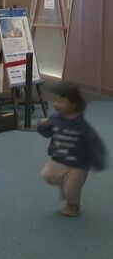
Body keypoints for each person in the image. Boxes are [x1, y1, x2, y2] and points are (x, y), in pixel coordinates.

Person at [38, 82, 106, 217]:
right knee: (47, 174)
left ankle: (74, 205)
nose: (56, 104)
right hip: (59, 158)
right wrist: (42, 125)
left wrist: (97, 161)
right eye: (55, 100)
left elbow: (94, 143)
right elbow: (47, 134)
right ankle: (66, 185)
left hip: (78, 164)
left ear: (74, 103)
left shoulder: (81, 125)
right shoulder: (55, 119)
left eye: (60, 101)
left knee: (71, 189)